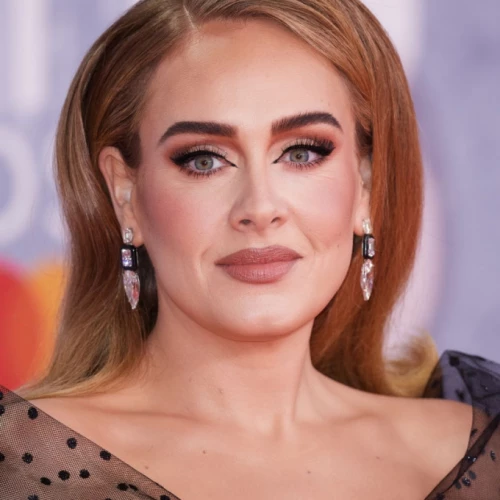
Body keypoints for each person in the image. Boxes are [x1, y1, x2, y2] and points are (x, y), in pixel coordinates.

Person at [0, 0, 499, 498]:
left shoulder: (475, 450)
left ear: (364, 186)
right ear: (125, 195)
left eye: (302, 152)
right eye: (204, 160)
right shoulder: (19, 463)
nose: (260, 208)